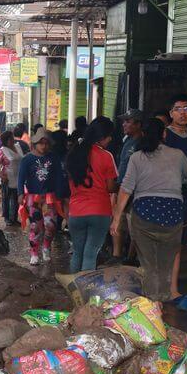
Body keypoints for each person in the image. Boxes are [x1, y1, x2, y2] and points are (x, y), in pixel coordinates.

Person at [111, 118, 187, 301]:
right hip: (172, 214)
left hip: (144, 213)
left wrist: (116, 218)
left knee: (149, 265)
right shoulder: (178, 155)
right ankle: (163, 299)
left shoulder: (137, 157)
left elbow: (126, 189)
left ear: (143, 134)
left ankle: (152, 303)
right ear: (164, 134)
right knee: (166, 264)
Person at [66, 117, 118, 273]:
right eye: (109, 136)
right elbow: (110, 187)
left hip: (76, 211)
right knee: (90, 254)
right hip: (99, 211)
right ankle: (85, 293)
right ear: (102, 137)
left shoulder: (74, 152)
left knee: (77, 252)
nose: (110, 140)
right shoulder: (106, 156)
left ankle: (73, 290)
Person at [163, 94, 187, 298]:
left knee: (178, 241)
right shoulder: (165, 136)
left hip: (186, 193)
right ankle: (163, 286)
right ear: (171, 113)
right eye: (178, 109)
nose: (182, 113)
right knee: (166, 239)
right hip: (167, 193)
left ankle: (173, 287)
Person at [18, 127, 61, 265]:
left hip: (50, 196)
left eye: (46, 143)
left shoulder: (53, 158)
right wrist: (20, 193)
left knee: (51, 225)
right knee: (35, 226)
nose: (44, 146)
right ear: (35, 143)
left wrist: (61, 193)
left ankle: (46, 247)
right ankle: (34, 253)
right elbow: (21, 178)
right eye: (41, 143)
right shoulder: (27, 159)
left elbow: (59, 176)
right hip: (32, 196)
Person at [112, 109, 144, 261]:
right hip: (122, 189)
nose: (124, 124)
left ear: (138, 124)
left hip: (133, 191)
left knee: (134, 228)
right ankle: (119, 256)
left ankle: (132, 258)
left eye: (128, 121)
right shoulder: (127, 141)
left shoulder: (141, 143)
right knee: (120, 223)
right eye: (124, 121)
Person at [0, 130, 23, 226]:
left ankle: (14, 218)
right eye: (10, 139)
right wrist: (1, 176)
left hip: (18, 178)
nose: (12, 140)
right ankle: (7, 218)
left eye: (12, 138)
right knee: (6, 198)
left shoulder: (18, 147)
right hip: (7, 178)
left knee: (16, 198)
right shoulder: (2, 150)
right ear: (5, 140)